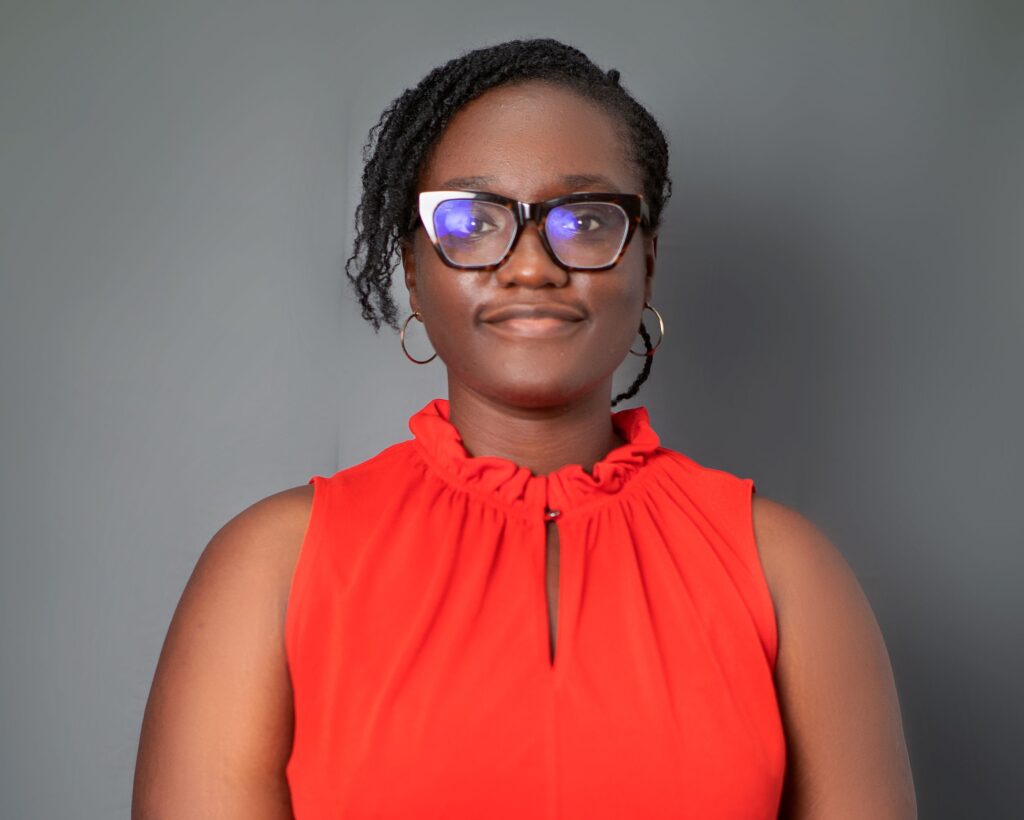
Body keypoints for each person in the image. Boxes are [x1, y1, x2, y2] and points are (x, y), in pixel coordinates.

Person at [133, 38, 917, 819]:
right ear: (413, 265)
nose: (532, 266)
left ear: (647, 257)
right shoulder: (270, 568)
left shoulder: (787, 574)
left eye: (584, 218)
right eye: (473, 220)